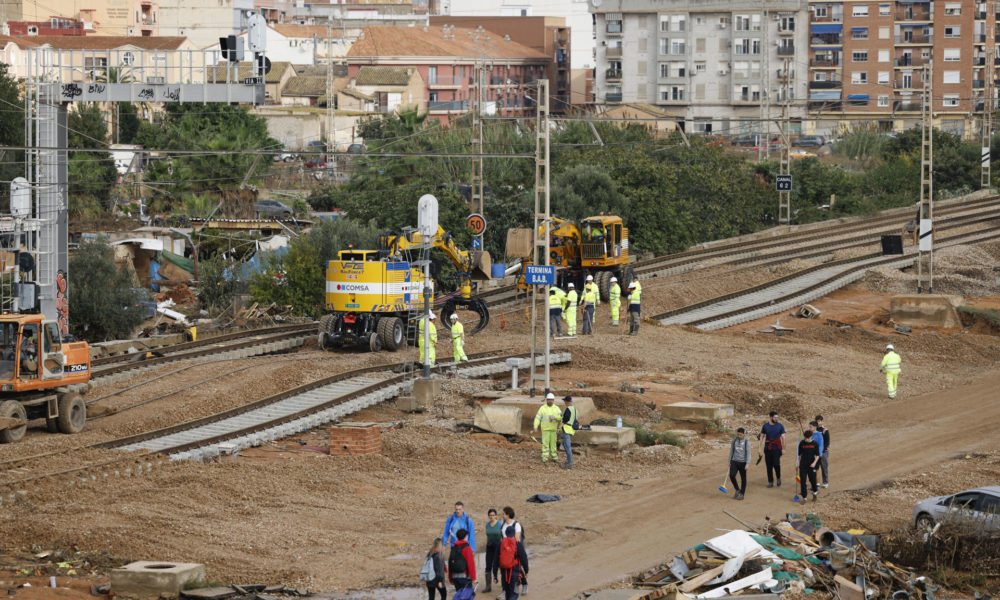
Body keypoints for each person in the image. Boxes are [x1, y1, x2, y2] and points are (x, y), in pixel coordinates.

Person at [498, 526, 529, 600]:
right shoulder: (518, 544)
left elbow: (496, 559)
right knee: (514, 594)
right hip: (515, 574)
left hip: (504, 574)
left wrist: (495, 574)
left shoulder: (501, 544)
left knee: (507, 594)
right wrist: (526, 571)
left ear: (505, 533)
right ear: (514, 533)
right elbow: (524, 558)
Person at [532, 393, 562, 463]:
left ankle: (554, 457)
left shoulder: (557, 408)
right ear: (546, 400)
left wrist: (555, 417)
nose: (550, 401)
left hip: (553, 430)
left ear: (553, 400)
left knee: (553, 444)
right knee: (545, 443)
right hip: (545, 429)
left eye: (551, 400)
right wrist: (535, 426)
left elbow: (561, 418)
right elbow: (537, 418)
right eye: (549, 400)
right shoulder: (542, 408)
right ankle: (545, 457)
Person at [758, 411, 786, 488]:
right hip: (767, 448)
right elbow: (762, 436)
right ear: (770, 417)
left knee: (776, 464)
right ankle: (770, 481)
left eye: (777, 417)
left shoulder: (780, 426)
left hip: (777, 448)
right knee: (768, 465)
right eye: (775, 417)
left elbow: (783, 437)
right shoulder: (765, 426)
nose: (776, 419)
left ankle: (778, 478)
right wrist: (759, 448)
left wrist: (783, 448)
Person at [797, 425, 821, 503]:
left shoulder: (815, 444)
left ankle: (814, 493)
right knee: (802, 481)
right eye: (806, 438)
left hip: (811, 465)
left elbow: (817, 455)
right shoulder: (801, 443)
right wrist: (797, 463)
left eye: (809, 438)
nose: (807, 439)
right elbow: (799, 454)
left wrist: (814, 463)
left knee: (812, 480)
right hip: (803, 465)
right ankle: (804, 498)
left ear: (811, 437)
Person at [728, 427, 751, 500]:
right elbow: (731, 451)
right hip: (734, 461)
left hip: (743, 463)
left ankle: (742, 493)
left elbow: (748, 454)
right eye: (738, 434)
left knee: (743, 478)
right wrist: (729, 461)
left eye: (740, 435)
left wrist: (747, 464)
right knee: (731, 475)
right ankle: (737, 489)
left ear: (744, 434)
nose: (739, 436)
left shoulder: (747, 442)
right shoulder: (734, 441)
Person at [484, 509, 503, 593]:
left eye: (493, 515)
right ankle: (488, 586)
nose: (491, 517)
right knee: (488, 566)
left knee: (500, 565)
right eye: (490, 515)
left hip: (498, 546)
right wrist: (487, 544)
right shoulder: (487, 524)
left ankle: (504, 585)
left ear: (496, 516)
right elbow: (487, 536)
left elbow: (503, 536)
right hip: (490, 547)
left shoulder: (499, 524)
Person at [560, 396, 578, 469]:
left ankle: (569, 463)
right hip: (571, 429)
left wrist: (558, 428)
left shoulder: (568, 409)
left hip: (567, 429)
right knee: (566, 445)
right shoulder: (574, 409)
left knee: (567, 446)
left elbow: (564, 420)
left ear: (567, 402)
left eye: (565, 401)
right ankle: (569, 461)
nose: (564, 402)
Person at [815, 415, 830, 488]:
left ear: (822, 421)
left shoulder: (825, 430)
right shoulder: (814, 431)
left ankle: (825, 482)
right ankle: (816, 482)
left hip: (824, 452)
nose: (818, 423)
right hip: (815, 452)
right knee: (816, 467)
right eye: (817, 421)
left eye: (819, 421)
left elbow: (827, 442)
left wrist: (822, 450)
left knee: (824, 467)